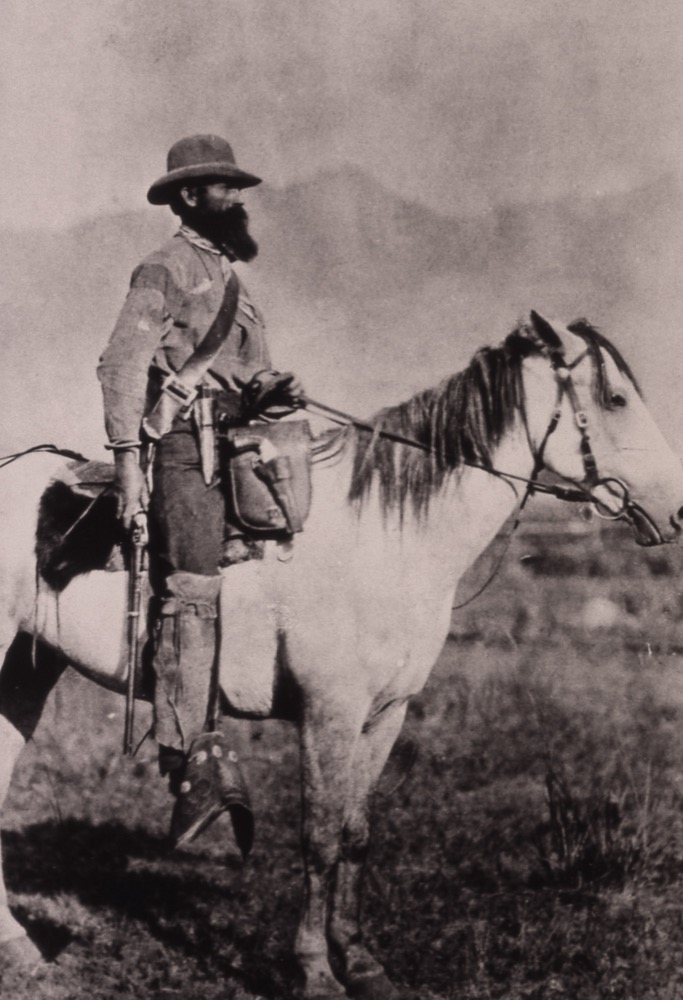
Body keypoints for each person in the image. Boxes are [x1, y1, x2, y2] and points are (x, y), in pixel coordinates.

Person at [97, 134, 302, 852]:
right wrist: (128, 463)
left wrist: (270, 390)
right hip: (183, 450)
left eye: (238, 187)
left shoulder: (230, 277)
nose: (238, 198)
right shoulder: (163, 268)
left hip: (238, 448)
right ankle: (188, 758)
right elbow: (122, 364)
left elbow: (246, 372)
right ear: (190, 196)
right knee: (190, 589)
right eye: (225, 187)